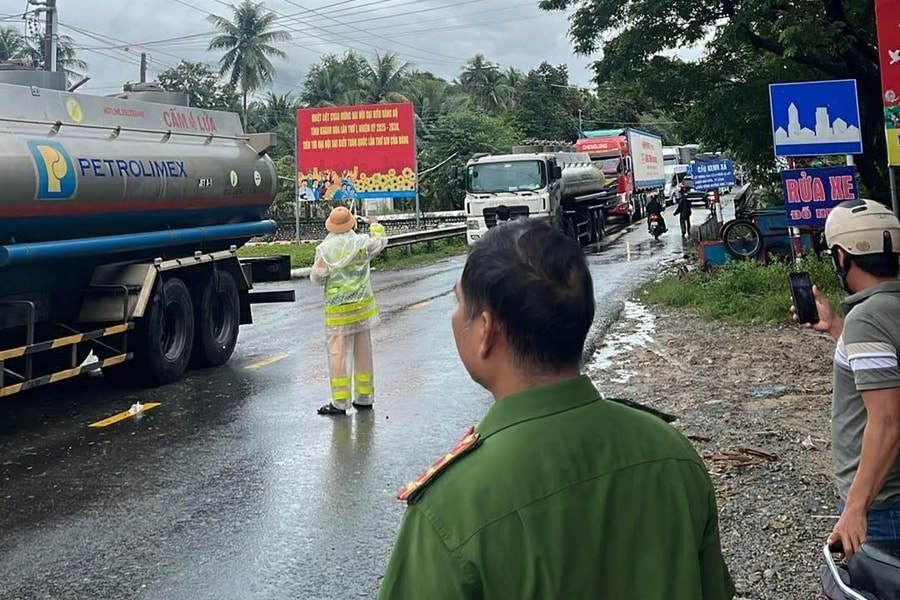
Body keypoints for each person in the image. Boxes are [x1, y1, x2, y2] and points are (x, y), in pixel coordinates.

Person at [377, 218, 735, 599]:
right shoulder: (672, 453)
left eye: (459, 303)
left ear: (485, 331)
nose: (454, 317)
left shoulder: (449, 509)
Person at [791, 199, 900, 559]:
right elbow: (882, 373)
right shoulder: (885, 310)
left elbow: (887, 422)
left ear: (841, 257)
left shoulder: (868, 319)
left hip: (884, 506)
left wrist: (855, 508)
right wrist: (836, 327)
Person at [310, 206, 388, 416]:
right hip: (362, 309)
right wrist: (375, 224)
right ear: (352, 223)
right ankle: (364, 398)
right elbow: (380, 243)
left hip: (339, 312)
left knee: (338, 356)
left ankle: (340, 402)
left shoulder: (325, 249)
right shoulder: (362, 243)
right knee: (364, 353)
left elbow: (316, 277)